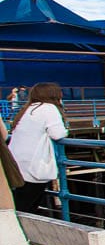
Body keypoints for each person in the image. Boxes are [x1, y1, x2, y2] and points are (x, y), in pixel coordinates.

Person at [8, 82, 69, 213]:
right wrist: (66, 131)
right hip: (33, 166)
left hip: (17, 163)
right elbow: (57, 134)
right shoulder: (48, 109)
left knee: (21, 203)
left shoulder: (28, 109)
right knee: (27, 206)